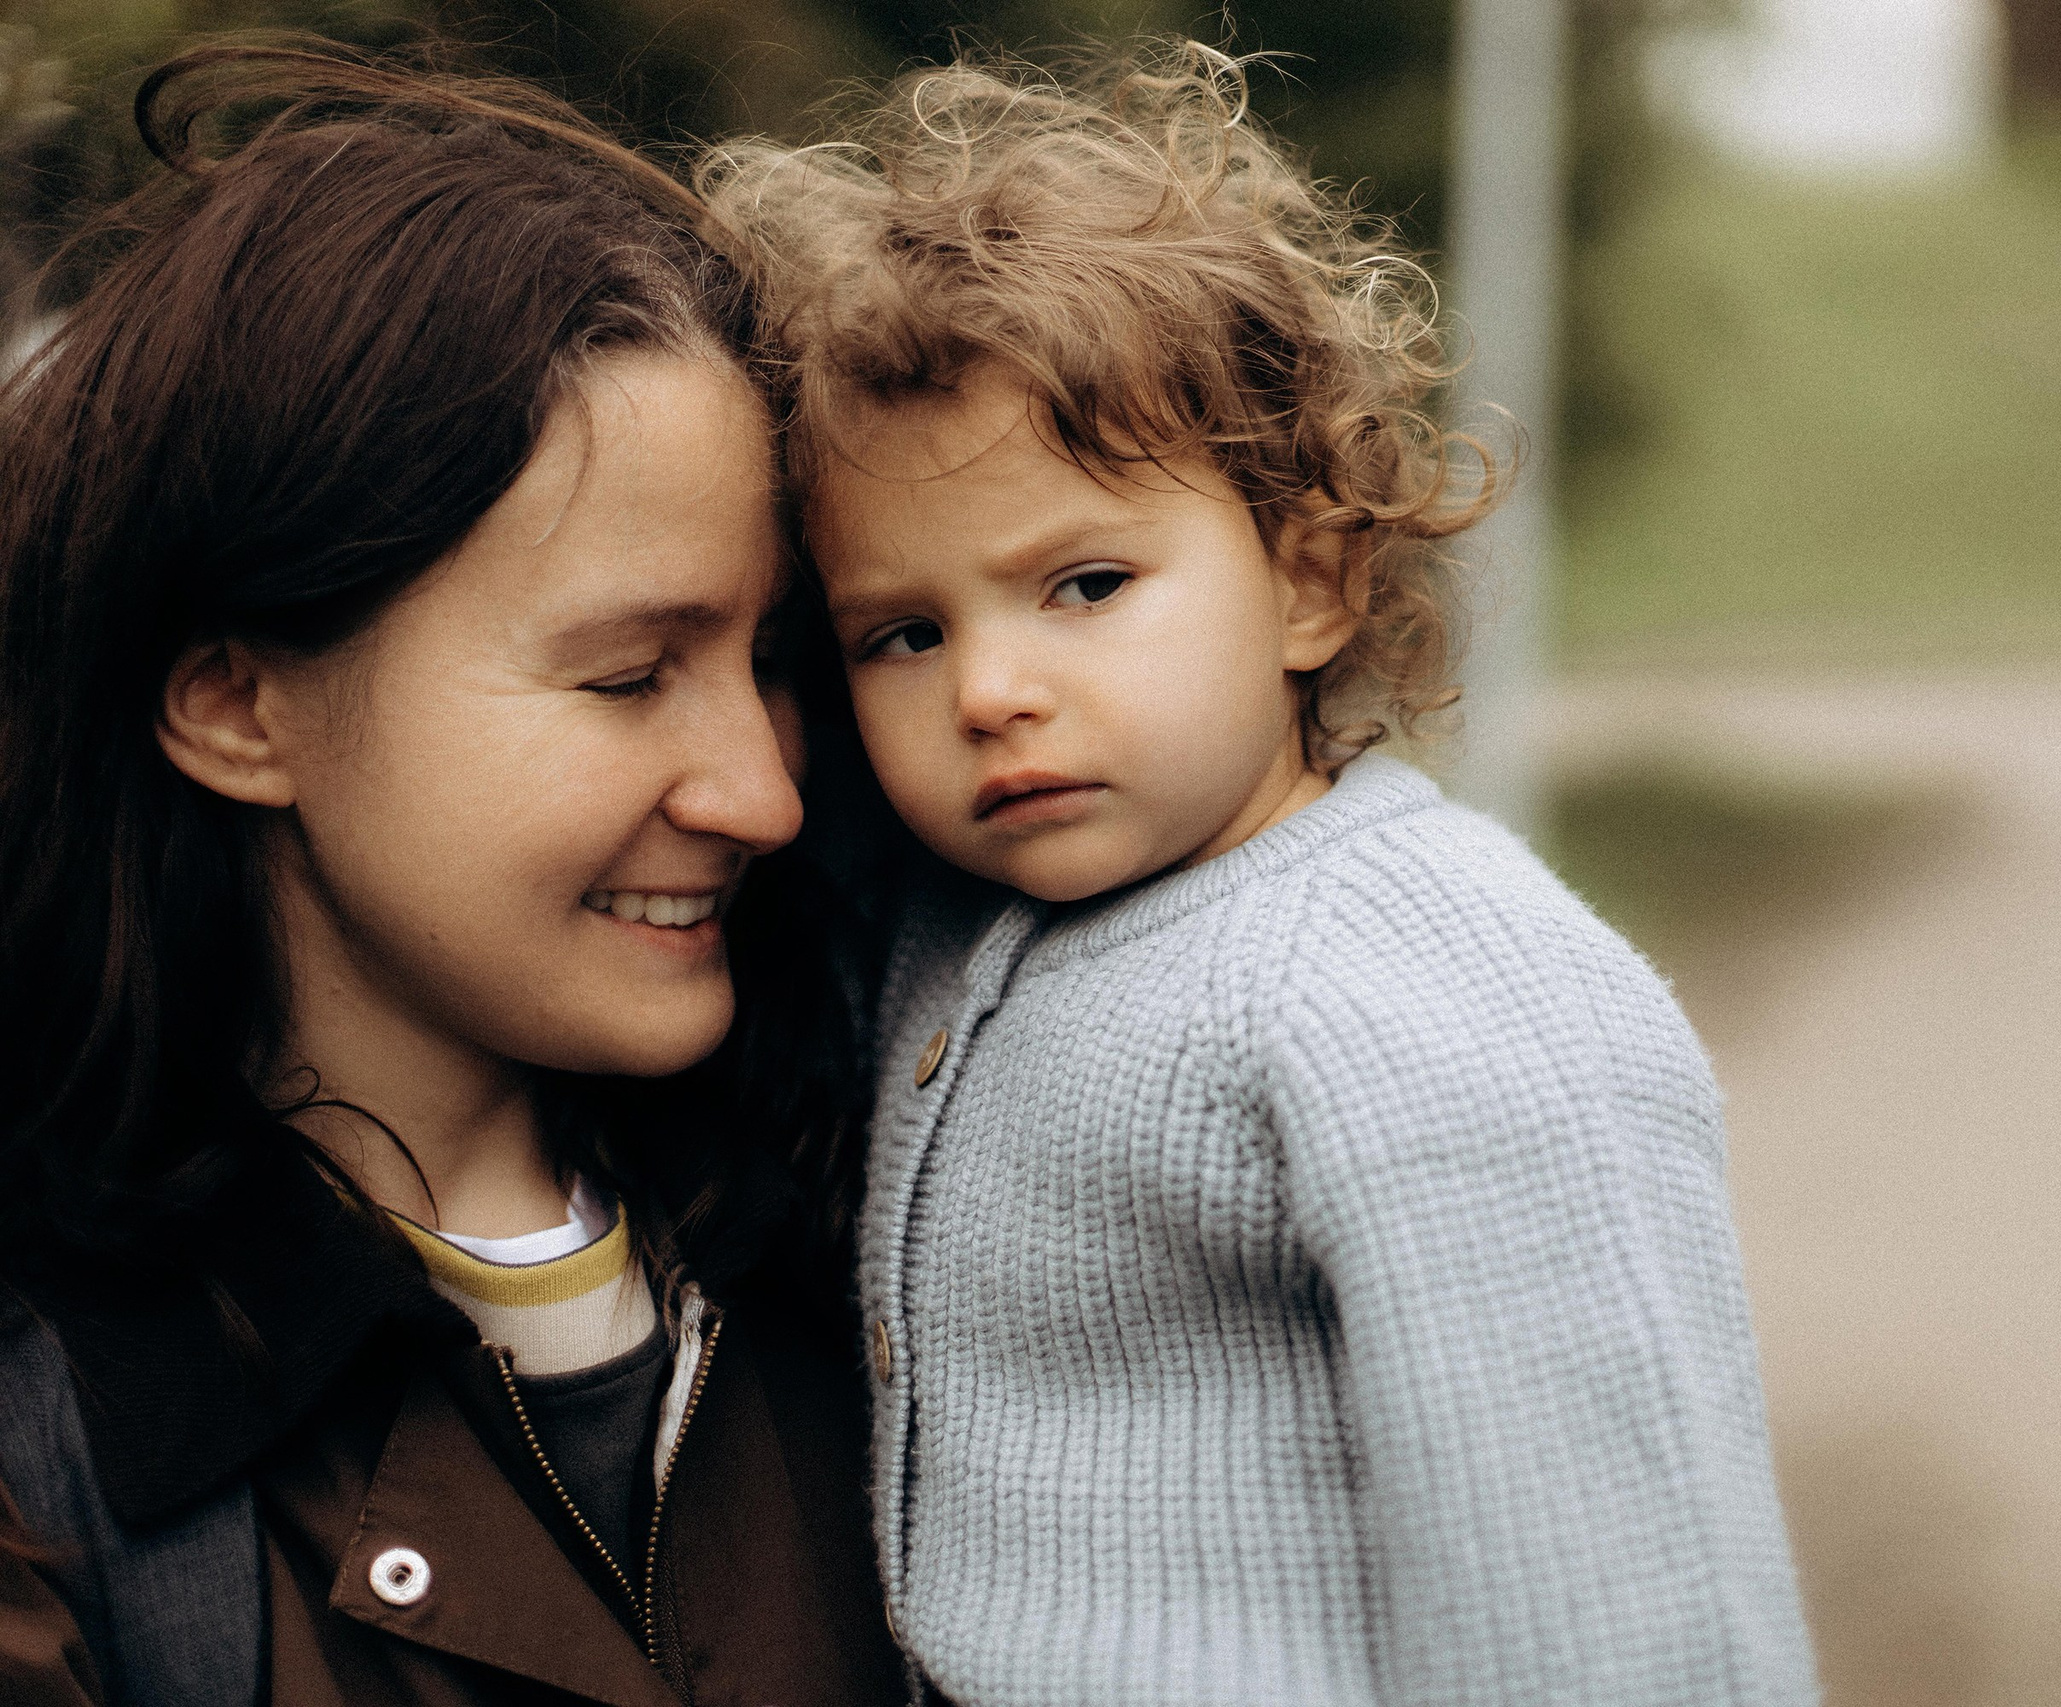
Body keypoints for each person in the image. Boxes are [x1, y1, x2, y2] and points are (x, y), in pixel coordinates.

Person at [711, 45, 1820, 1707]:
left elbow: (1622, 1593)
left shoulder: (1440, 987)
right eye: (905, 632)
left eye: (1083, 583)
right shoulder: (949, 924)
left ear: (1309, 582)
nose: (988, 688)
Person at [0, 45, 906, 1706]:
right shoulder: (50, 1461)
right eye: (631, 676)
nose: (765, 792)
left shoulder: (908, 1249)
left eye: (770, 656)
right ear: (234, 703)